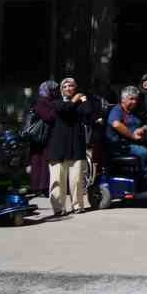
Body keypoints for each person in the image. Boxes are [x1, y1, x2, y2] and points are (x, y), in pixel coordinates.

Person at [106, 87, 147, 183]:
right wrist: (132, 135)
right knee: (143, 153)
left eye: (136, 99)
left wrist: (142, 129)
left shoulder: (135, 112)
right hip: (123, 146)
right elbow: (116, 124)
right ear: (123, 99)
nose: (134, 102)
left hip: (138, 141)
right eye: (131, 99)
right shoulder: (117, 109)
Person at [46, 76, 91, 215]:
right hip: (58, 146)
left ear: (75, 88)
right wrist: (76, 99)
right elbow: (65, 109)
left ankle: (78, 205)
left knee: (76, 178)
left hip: (76, 145)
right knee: (57, 179)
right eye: (64, 87)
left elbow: (88, 113)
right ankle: (59, 208)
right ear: (61, 90)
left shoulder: (79, 103)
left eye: (71, 86)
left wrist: (84, 101)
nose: (68, 89)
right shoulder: (56, 102)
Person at [27, 79, 59, 199]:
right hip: (40, 138)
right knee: (39, 162)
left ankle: (43, 187)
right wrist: (57, 109)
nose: (56, 92)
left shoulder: (49, 101)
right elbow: (48, 116)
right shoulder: (41, 101)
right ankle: (39, 188)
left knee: (43, 162)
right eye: (53, 90)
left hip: (45, 137)